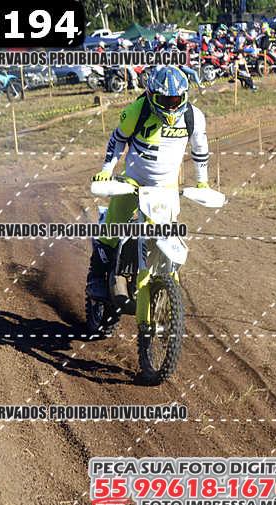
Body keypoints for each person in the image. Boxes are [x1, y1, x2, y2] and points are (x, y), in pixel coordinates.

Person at [88, 66, 210, 334]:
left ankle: (164, 290)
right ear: (152, 95)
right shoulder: (137, 110)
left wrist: (203, 182)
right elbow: (117, 140)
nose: (171, 105)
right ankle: (97, 279)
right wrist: (107, 170)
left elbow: (200, 150)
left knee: (166, 234)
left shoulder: (193, 117)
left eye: (176, 100)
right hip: (133, 181)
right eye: (165, 100)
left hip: (165, 187)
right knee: (111, 229)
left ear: (184, 97)